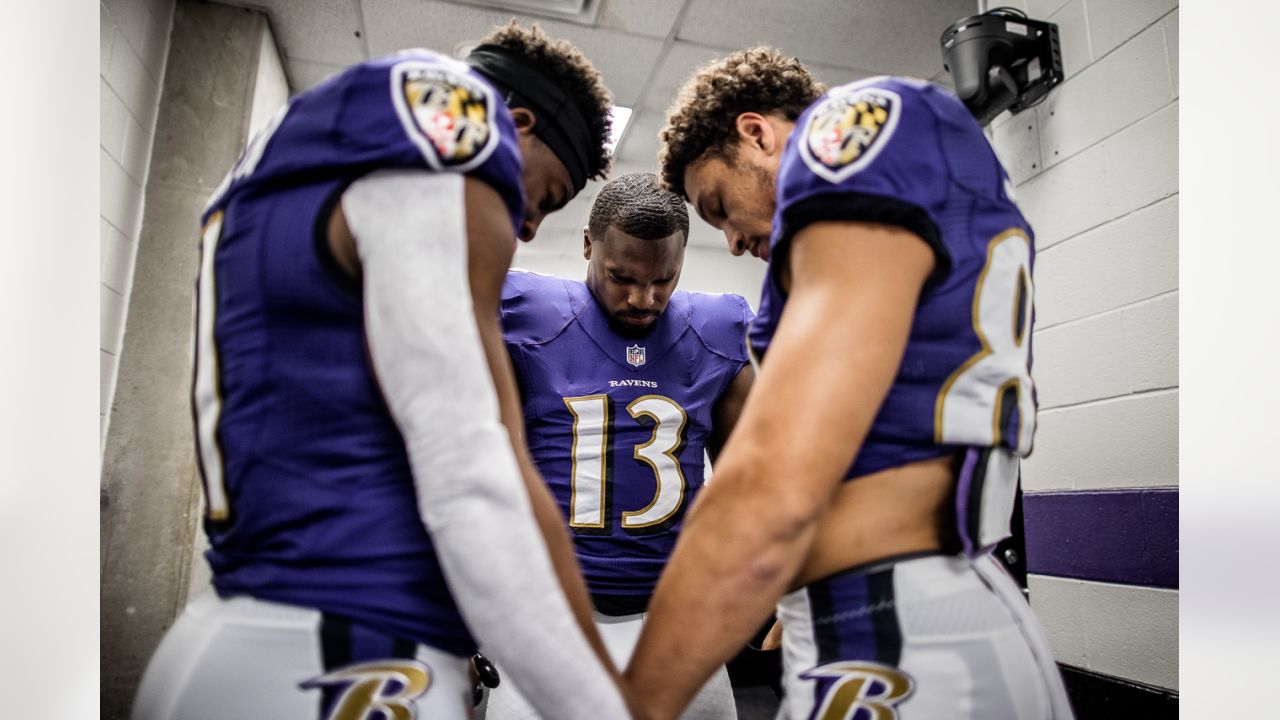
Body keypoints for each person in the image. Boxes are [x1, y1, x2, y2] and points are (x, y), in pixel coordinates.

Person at [131, 22, 644, 720]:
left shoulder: (309, 153)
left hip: (245, 634)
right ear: (514, 124)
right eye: (546, 196)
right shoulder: (455, 134)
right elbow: (473, 469)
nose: (528, 229)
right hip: (347, 658)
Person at [625, 48, 1075, 719]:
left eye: (719, 206)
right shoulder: (833, 260)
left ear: (756, 133)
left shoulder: (854, 127)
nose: (732, 239)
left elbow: (773, 478)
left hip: (900, 628)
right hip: (884, 616)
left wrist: (638, 699)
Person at [484, 173, 754, 720]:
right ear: (588, 245)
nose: (643, 298)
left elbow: (753, 482)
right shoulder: (524, 314)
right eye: (621, 276)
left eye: (664, 280)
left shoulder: (718, 328)